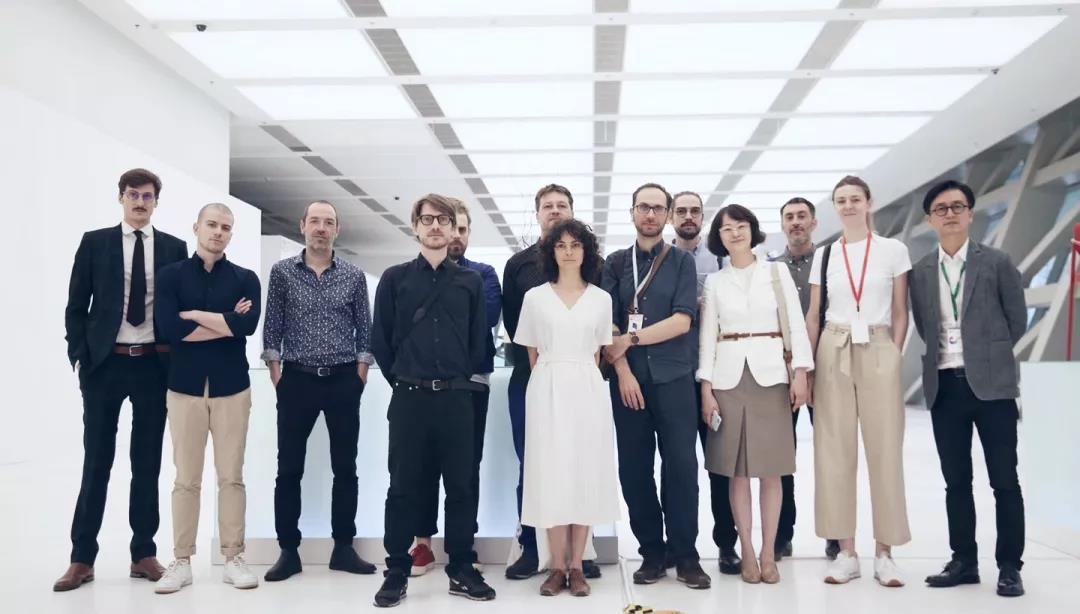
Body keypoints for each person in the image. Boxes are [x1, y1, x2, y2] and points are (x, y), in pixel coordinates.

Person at [56, 168, 188, 592]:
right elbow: (76, 306)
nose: (140, 202)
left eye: (147, 196)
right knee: (96, 462)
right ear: (121, 198)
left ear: (156, 202)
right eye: (133, 195)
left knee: (146, 463)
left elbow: (178, 308)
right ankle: (81, 558)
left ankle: (143, 553)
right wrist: (80, 358)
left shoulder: (174, 248)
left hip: (152, 367)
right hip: (105, 367)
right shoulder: (95, 243)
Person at [371, 194, 496, 607]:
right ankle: (396, 570)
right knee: (403, 486)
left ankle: (460, 567)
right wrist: (405, 380)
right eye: (428, 219)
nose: (436, 226)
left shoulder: (470, 281)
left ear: (454, 227)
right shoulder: (395, 279)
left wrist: (456, 379)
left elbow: (479, 342)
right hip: (410, 397)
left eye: (444, 219)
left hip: (457, 398)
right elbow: (381, 340)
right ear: (416, 226)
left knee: (461, 485)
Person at [909, 180, 1027, 598]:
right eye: (941, 209)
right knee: (956, 481)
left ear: (971, 214)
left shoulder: (996, 262)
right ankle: (964, 561)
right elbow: (924, 324)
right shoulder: (922, 271)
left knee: (1004, 480)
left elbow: (1017, 321)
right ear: (930, 220)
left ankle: (1009, 566)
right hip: (945, 386)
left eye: (958, 206)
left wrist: (985, 355)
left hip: (993, 387)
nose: (950, 214)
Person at [601, 183, 711, 589]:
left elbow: (682, 321)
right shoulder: (614, 263)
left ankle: (686, 555)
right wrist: (623, 371)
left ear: (667, 215)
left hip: (674, 378)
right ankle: (651, 552)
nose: (650, 214)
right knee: (634, 469)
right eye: (643, 207)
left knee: (681, 467)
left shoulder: (681, 262)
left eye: (658, 208)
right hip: (629, 382)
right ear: (632, 212)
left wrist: (630, 340)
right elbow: (608, 323)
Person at [261, 200, 376, 581]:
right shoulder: (282, 273)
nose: (321, 228)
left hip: (343, 380)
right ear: (303, 226)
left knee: (345, 468)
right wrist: (277, 375)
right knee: (288, 468)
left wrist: (359, 375)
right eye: (315, 221)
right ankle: (288, 551)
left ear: (337, 230)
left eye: (328, 222)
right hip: (297, 380)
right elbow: (272, 328)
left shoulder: (353, 275)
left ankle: (343, 548)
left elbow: (365, 331)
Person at [806, 176, 911, 587]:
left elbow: (900, 310)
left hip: (878, 344)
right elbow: (815, 312)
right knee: (834, 450)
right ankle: (846, 552)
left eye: (855, 199)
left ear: (869, 202)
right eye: (841, 200)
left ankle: (885, 552)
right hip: (833, 345)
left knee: (885, 450)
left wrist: (894, 354)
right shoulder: (825, 254)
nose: (848, 205)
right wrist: (808, 366)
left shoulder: (892, 250)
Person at [698, 204, 813, 584]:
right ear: (719, 237)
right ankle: (746, 550)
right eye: (726, 228)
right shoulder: (715, 282)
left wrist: (801, 373)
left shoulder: (776, 272)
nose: (735, 233)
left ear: (752, 230)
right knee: (737, 472)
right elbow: (707, 338)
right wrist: (706, 388)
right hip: (728, 379)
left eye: (741, 225)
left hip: (772, 375)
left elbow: (796, 325)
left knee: (772, 470)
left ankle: (768, 554)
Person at [152, 204, 262, 593]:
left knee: (231, 476)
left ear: (231, 234)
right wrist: (226, 321)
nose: (218, 232)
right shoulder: (171, 276)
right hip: (184, 388)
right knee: (186, 479)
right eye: (211, 225)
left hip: (232, 387)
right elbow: (171, 330)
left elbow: (247, 326)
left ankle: (233, 558)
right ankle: (181, 561)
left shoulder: (246, 279)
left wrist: (195, 314)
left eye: (225, 227)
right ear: (196, 227)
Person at [501, 184, 601, 580]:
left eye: (562, 205)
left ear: (572, 211)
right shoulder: (518, 265)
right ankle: (531, 548)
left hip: (579, 378)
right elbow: (517, 329)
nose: (555, 211)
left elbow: (597, 331)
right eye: (547, 206)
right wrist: (544, 370)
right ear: (538, 213)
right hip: (533, 376)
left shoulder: (594, 265)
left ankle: (580, 555)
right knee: (534, 462)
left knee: (581, 462)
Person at [515, 219, 619, 598]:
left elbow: (598, 353)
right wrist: (551, 381)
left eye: (576, 245)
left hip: (587, 388)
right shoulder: (535, 298)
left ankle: (577, 566)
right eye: (561, 245)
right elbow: (532, 353)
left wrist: (576, 376)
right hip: (547, 386)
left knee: (584, 471)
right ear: (551, 252)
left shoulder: (601, 299)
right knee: (551, 475)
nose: (569, 251)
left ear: (586, 251)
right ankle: (556, 567)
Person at [410, 198, 502, 576]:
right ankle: (422, 544)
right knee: (423, 465)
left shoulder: (483, 275)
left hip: (470, 386)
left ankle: (463, 543)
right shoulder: (413, 275)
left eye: (463, 229)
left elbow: (484, 321)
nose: (456, 235)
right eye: (453, 227)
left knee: (466, 468)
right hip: (423, 387)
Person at [668, 191, 741, 576]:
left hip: (719, 376)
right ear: (671, 217)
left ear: (703, 217)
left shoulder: (723, 260)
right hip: (677, 376)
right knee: (678, 465)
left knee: (721, 466)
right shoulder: (661, 260)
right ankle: (678, 546)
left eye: (694, 211)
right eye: (681, 211)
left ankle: (726, 545)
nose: (688, 216)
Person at [769, 197, 841, 561]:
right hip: (783, 372)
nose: (796, 222)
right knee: (783, 457)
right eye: (789, 217)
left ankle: (836, 532)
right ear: (782, 225)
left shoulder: (831, 263)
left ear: (814, 223)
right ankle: (782, 534)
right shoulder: (771, 270)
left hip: (827, 367)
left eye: (802, 216)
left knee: (831, 453)